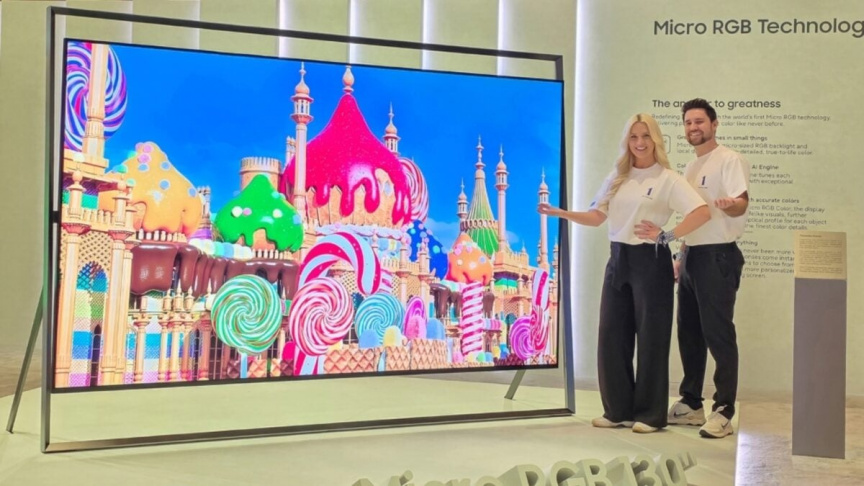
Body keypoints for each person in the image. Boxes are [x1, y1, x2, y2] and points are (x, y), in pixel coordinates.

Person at [539, 113, 709, 433]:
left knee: (651, 339)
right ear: (627, 141)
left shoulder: (668, 178)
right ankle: (617, 410)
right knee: (611, 336)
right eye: (633, 137)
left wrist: (667, 235)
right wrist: (561, 213)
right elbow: (596, 217)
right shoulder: (617, 177)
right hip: (618, 259)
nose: (640, 143)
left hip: (651, 260)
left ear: (655, 140)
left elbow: (701, 211)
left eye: (645, 136)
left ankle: (650, 415)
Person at [636, 99, 750, 439]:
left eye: (699, 121)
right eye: (688, 122)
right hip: (691, 257)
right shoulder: (689, 167)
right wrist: (680, 254)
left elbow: (741, 202)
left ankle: (724, 409)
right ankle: (691, 403)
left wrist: (731, 205)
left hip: (718, 256)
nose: (693, 127)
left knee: (718, 333)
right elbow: (691, 216)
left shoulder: (729, 159)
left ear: (714, 124)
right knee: (689, 333)